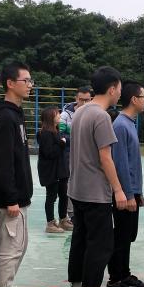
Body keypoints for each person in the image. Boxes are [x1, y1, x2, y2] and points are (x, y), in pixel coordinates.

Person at [66, 66, 129, 287]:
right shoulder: (101, 116)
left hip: (77, 189)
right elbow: (105, 157)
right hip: (95, 192)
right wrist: (118, 190)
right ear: (112, 89)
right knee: (100, 244)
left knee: (80, 240)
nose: (120, 93)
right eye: (119, 88)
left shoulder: (80, 111)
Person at [0, 62, 35, 287]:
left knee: (18, 246)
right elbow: (1, 162)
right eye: (25, 81)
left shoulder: (15, 113)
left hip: (17, 195)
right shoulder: (6, 118)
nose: (29, 85)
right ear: (10, 83)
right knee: (9, 247)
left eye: (30, 81)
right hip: (9, 199)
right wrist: (11, 198)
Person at [106, 81, 144, 287]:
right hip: (124, 194)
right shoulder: (121, 126)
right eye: (143, 97)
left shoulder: (129, 123)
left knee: (128, 235)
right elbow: (121, 163)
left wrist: (138, 192)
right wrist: (128, 194)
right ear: (134, 99)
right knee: (121, 237)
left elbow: (132, 163)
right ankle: (114, 281)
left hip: (132, 191)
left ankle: (124, 274)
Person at [57, 86, 91, 228]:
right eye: (81, 99)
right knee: (70, 183)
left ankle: (81, 214)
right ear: (76, 98)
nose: (84, 103)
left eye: (87, 100)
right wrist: (77, 138)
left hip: (87, 155)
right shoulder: (65, 115)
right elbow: (61, 135)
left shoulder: (93, 113)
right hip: (69, 155)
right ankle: (71, 215)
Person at [37, 107, 70, 233]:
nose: (59, 116)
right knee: (51, 196)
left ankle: (63, 219)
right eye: (57, 114)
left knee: (64, 195)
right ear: (50, 118)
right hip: (51, 171)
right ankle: (50, 223)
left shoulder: (56, 131)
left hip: (60, 170)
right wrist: (62, 143)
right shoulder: (45, 133)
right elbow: (50, 153)